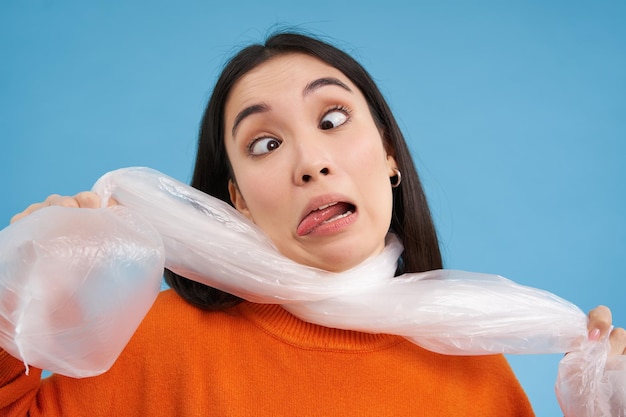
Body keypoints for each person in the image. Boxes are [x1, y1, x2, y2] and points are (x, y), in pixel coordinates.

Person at [1, 31, 624, 417]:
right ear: (238, 199)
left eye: (331, 121)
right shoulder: (160, 342)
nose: (311, 162)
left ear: (389, 158)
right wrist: (12, 296)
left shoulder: (473, 365)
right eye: (265, 144)